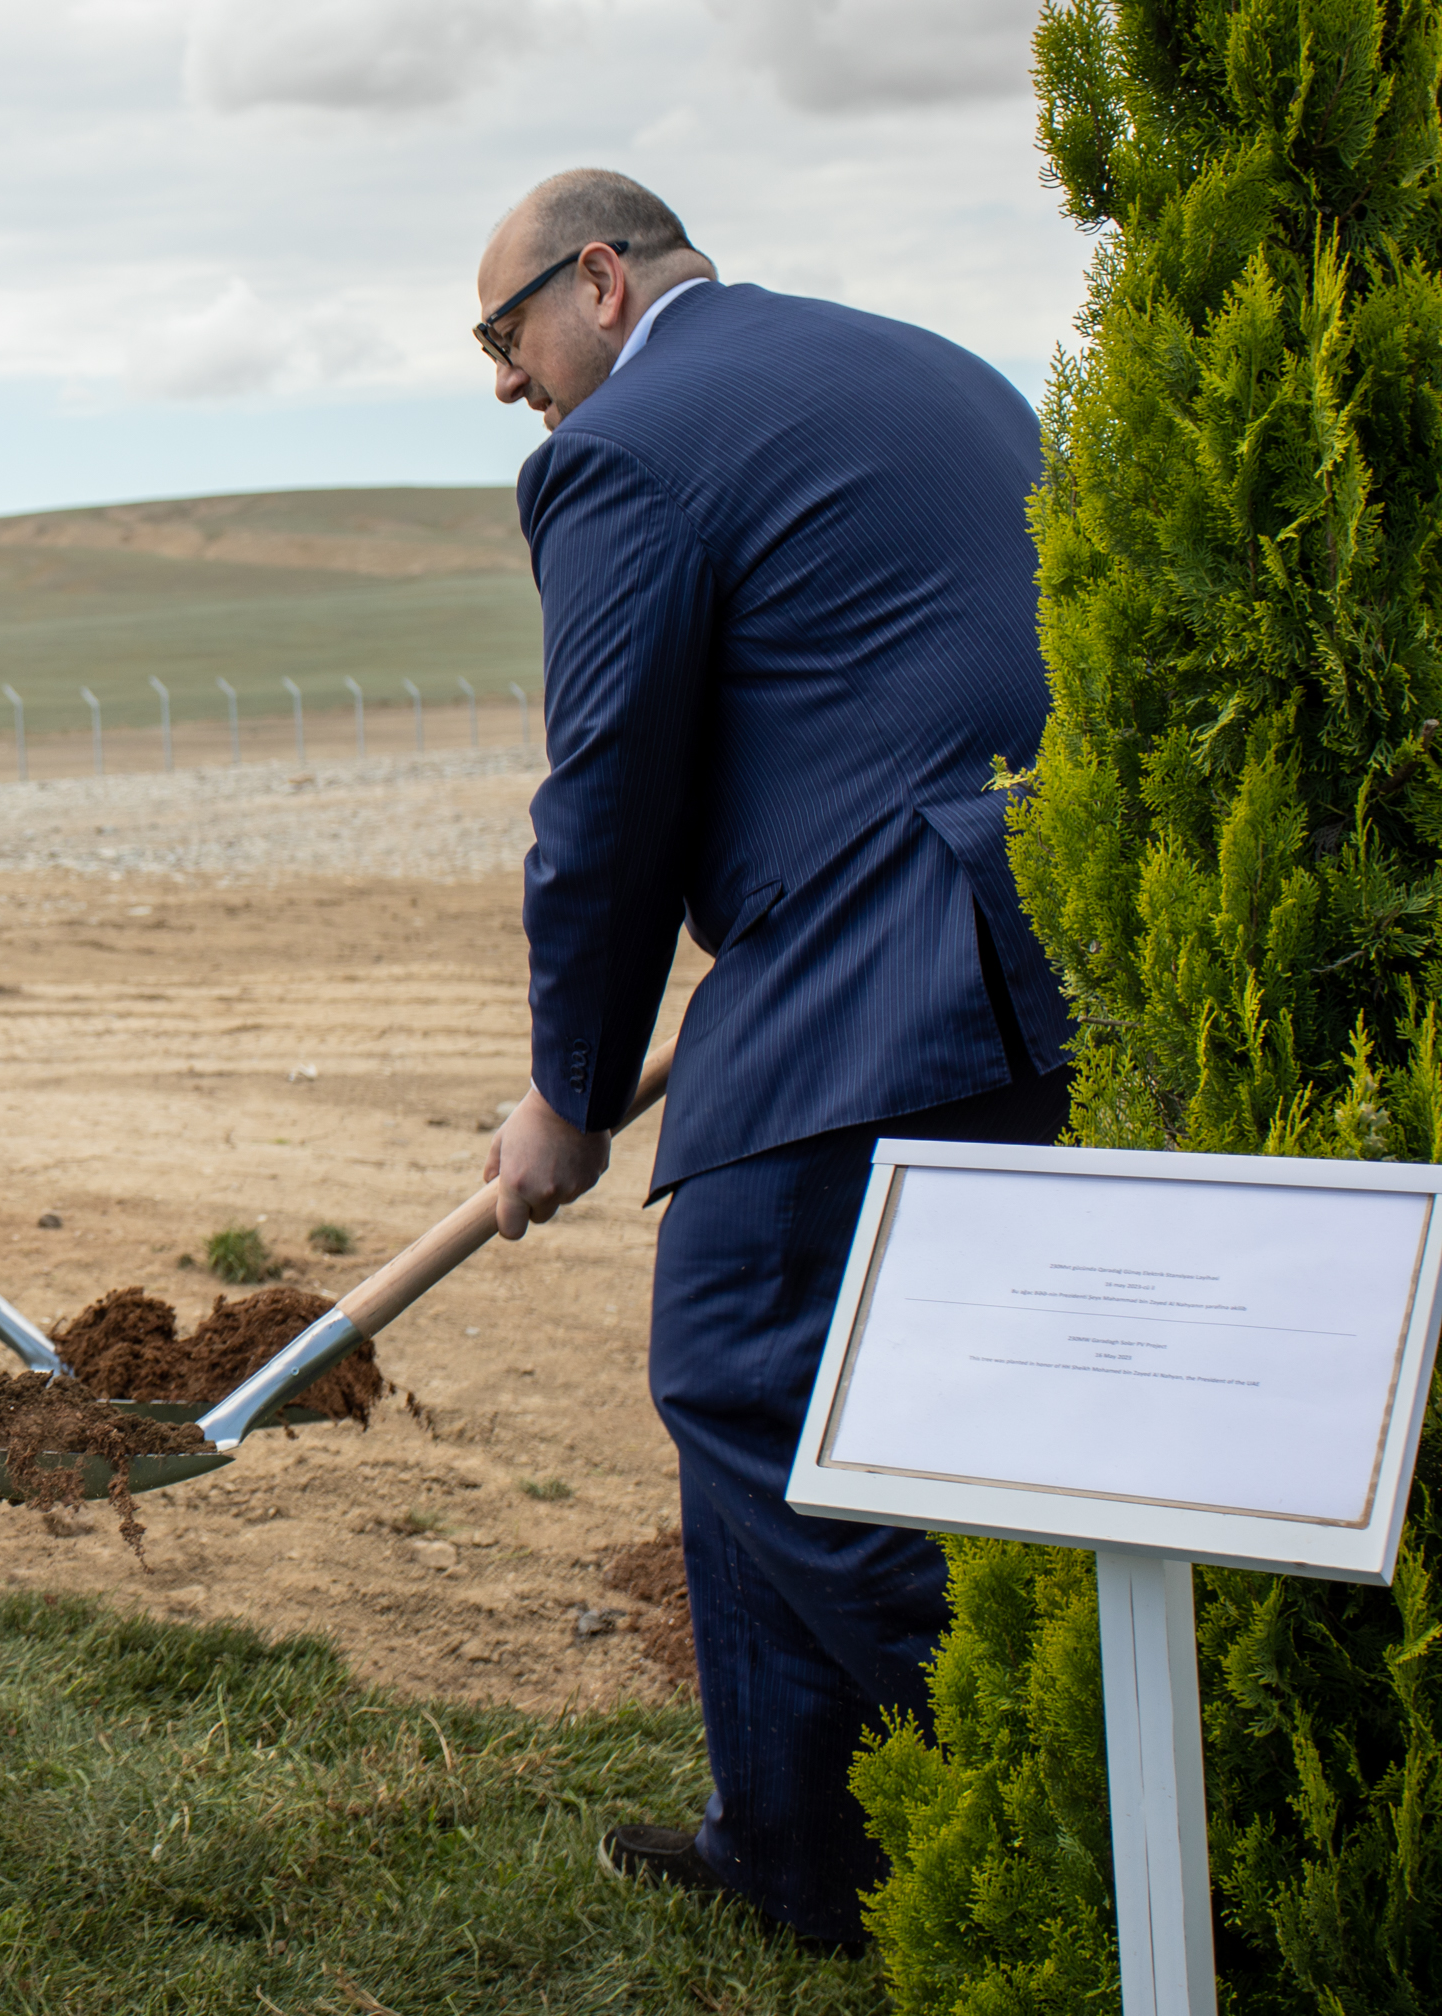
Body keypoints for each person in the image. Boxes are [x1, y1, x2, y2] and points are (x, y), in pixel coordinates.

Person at [470, 171, 1073, 1946]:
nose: (506, 385)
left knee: (744, 1367)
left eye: (505, 337)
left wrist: (568, 1093)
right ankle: (799, 1852)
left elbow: (606, 799)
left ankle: (1058, 1784)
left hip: (885, 953)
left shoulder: (627, 443)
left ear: (598, 279)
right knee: (858, 1390)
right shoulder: (942, 368)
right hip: (1049, 943)